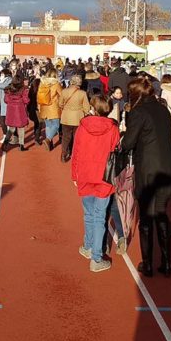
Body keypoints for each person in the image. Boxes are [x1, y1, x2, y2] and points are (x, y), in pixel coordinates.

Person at [121, 77, 171, 277]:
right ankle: (167, 262)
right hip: (167, 166)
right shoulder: (162, 108)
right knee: (161, 214)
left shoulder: (139, 112)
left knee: (146, 217)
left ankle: (147, 263)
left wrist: (126, 130)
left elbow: (128, 143)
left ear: (136, 94)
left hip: (148, 168)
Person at [72, 95, 121, 273]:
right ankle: (96, 256)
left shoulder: (83, 126)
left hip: (85, 174)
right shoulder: (113, 128)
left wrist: (74, 175)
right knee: (100, 217)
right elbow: (116, 151)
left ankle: (89, 246)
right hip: (104, 176)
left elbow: (76, 151)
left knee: (89, 214)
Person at [59, 75, 91, 163]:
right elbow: (86, 108)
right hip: (78, 118)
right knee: (76, 137)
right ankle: (74, 154)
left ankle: (63, 153)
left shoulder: (64, 91)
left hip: (66, 117)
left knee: (66, 137)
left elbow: (60, 104)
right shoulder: (82, 93)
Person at [37, 68, 62, 152]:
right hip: (54, 107)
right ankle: (48, 139)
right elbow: (62, 95)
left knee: (48, 125)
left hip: (44, 106)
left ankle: (49, 143)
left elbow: (39, 95)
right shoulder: (56, 84)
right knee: (56, 125)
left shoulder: (42, 83)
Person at [2, 76, 29, 152]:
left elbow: (6, 100)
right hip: (20, 109)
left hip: (11, 109)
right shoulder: (24, 89)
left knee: (11, 128)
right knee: (21, 128)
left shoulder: (8, 89)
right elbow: (26, 100)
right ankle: (21, 145)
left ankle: (5, 142)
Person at [27, 74, 43, 145]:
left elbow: (28, 101)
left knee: (36, 123)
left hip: (33, 109)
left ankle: (36, 135)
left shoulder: (31, 92)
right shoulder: (41, 92)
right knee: (39, 123)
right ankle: (37, 137)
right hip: (39, 109)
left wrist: (28, 109)